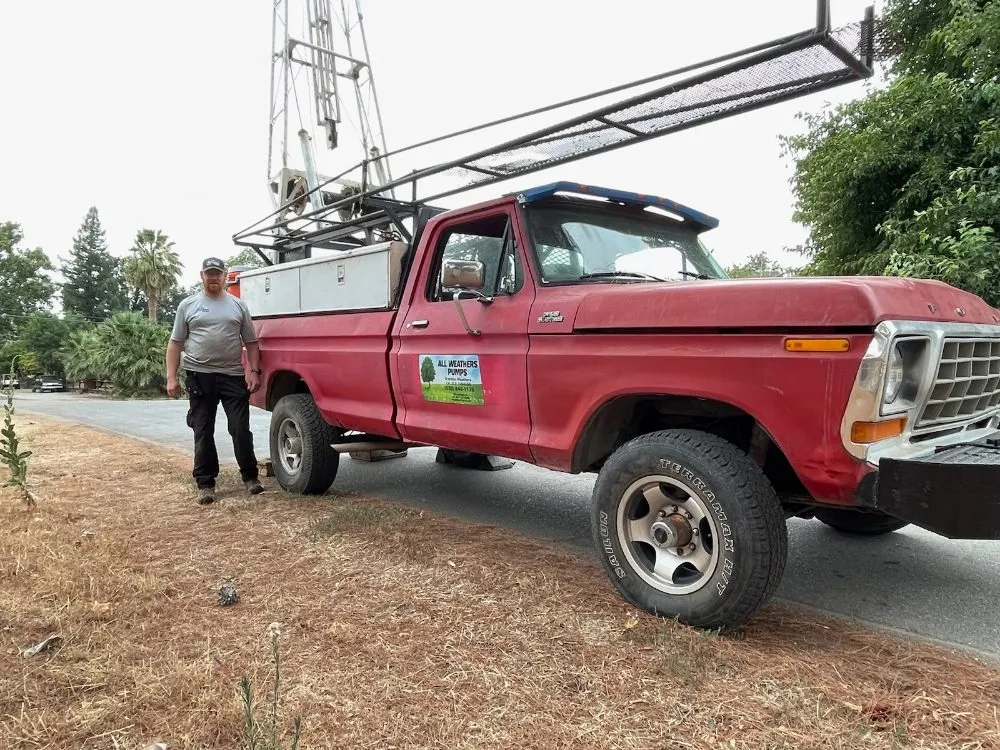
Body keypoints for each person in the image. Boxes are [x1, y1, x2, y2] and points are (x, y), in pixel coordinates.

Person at [166, 257, 264, 504]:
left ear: (224, 276)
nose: (213, 277)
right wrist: (171, 377)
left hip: (232, 375)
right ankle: (205, 484)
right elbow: (176, 343)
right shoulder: (188, 305)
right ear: (201, 276)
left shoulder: (238, 306)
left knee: (240, 428)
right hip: (199, 375)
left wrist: (254, 371)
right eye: (209, 273)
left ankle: (251, 478)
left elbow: (251, 342)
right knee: (202, 429)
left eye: (217, 273)